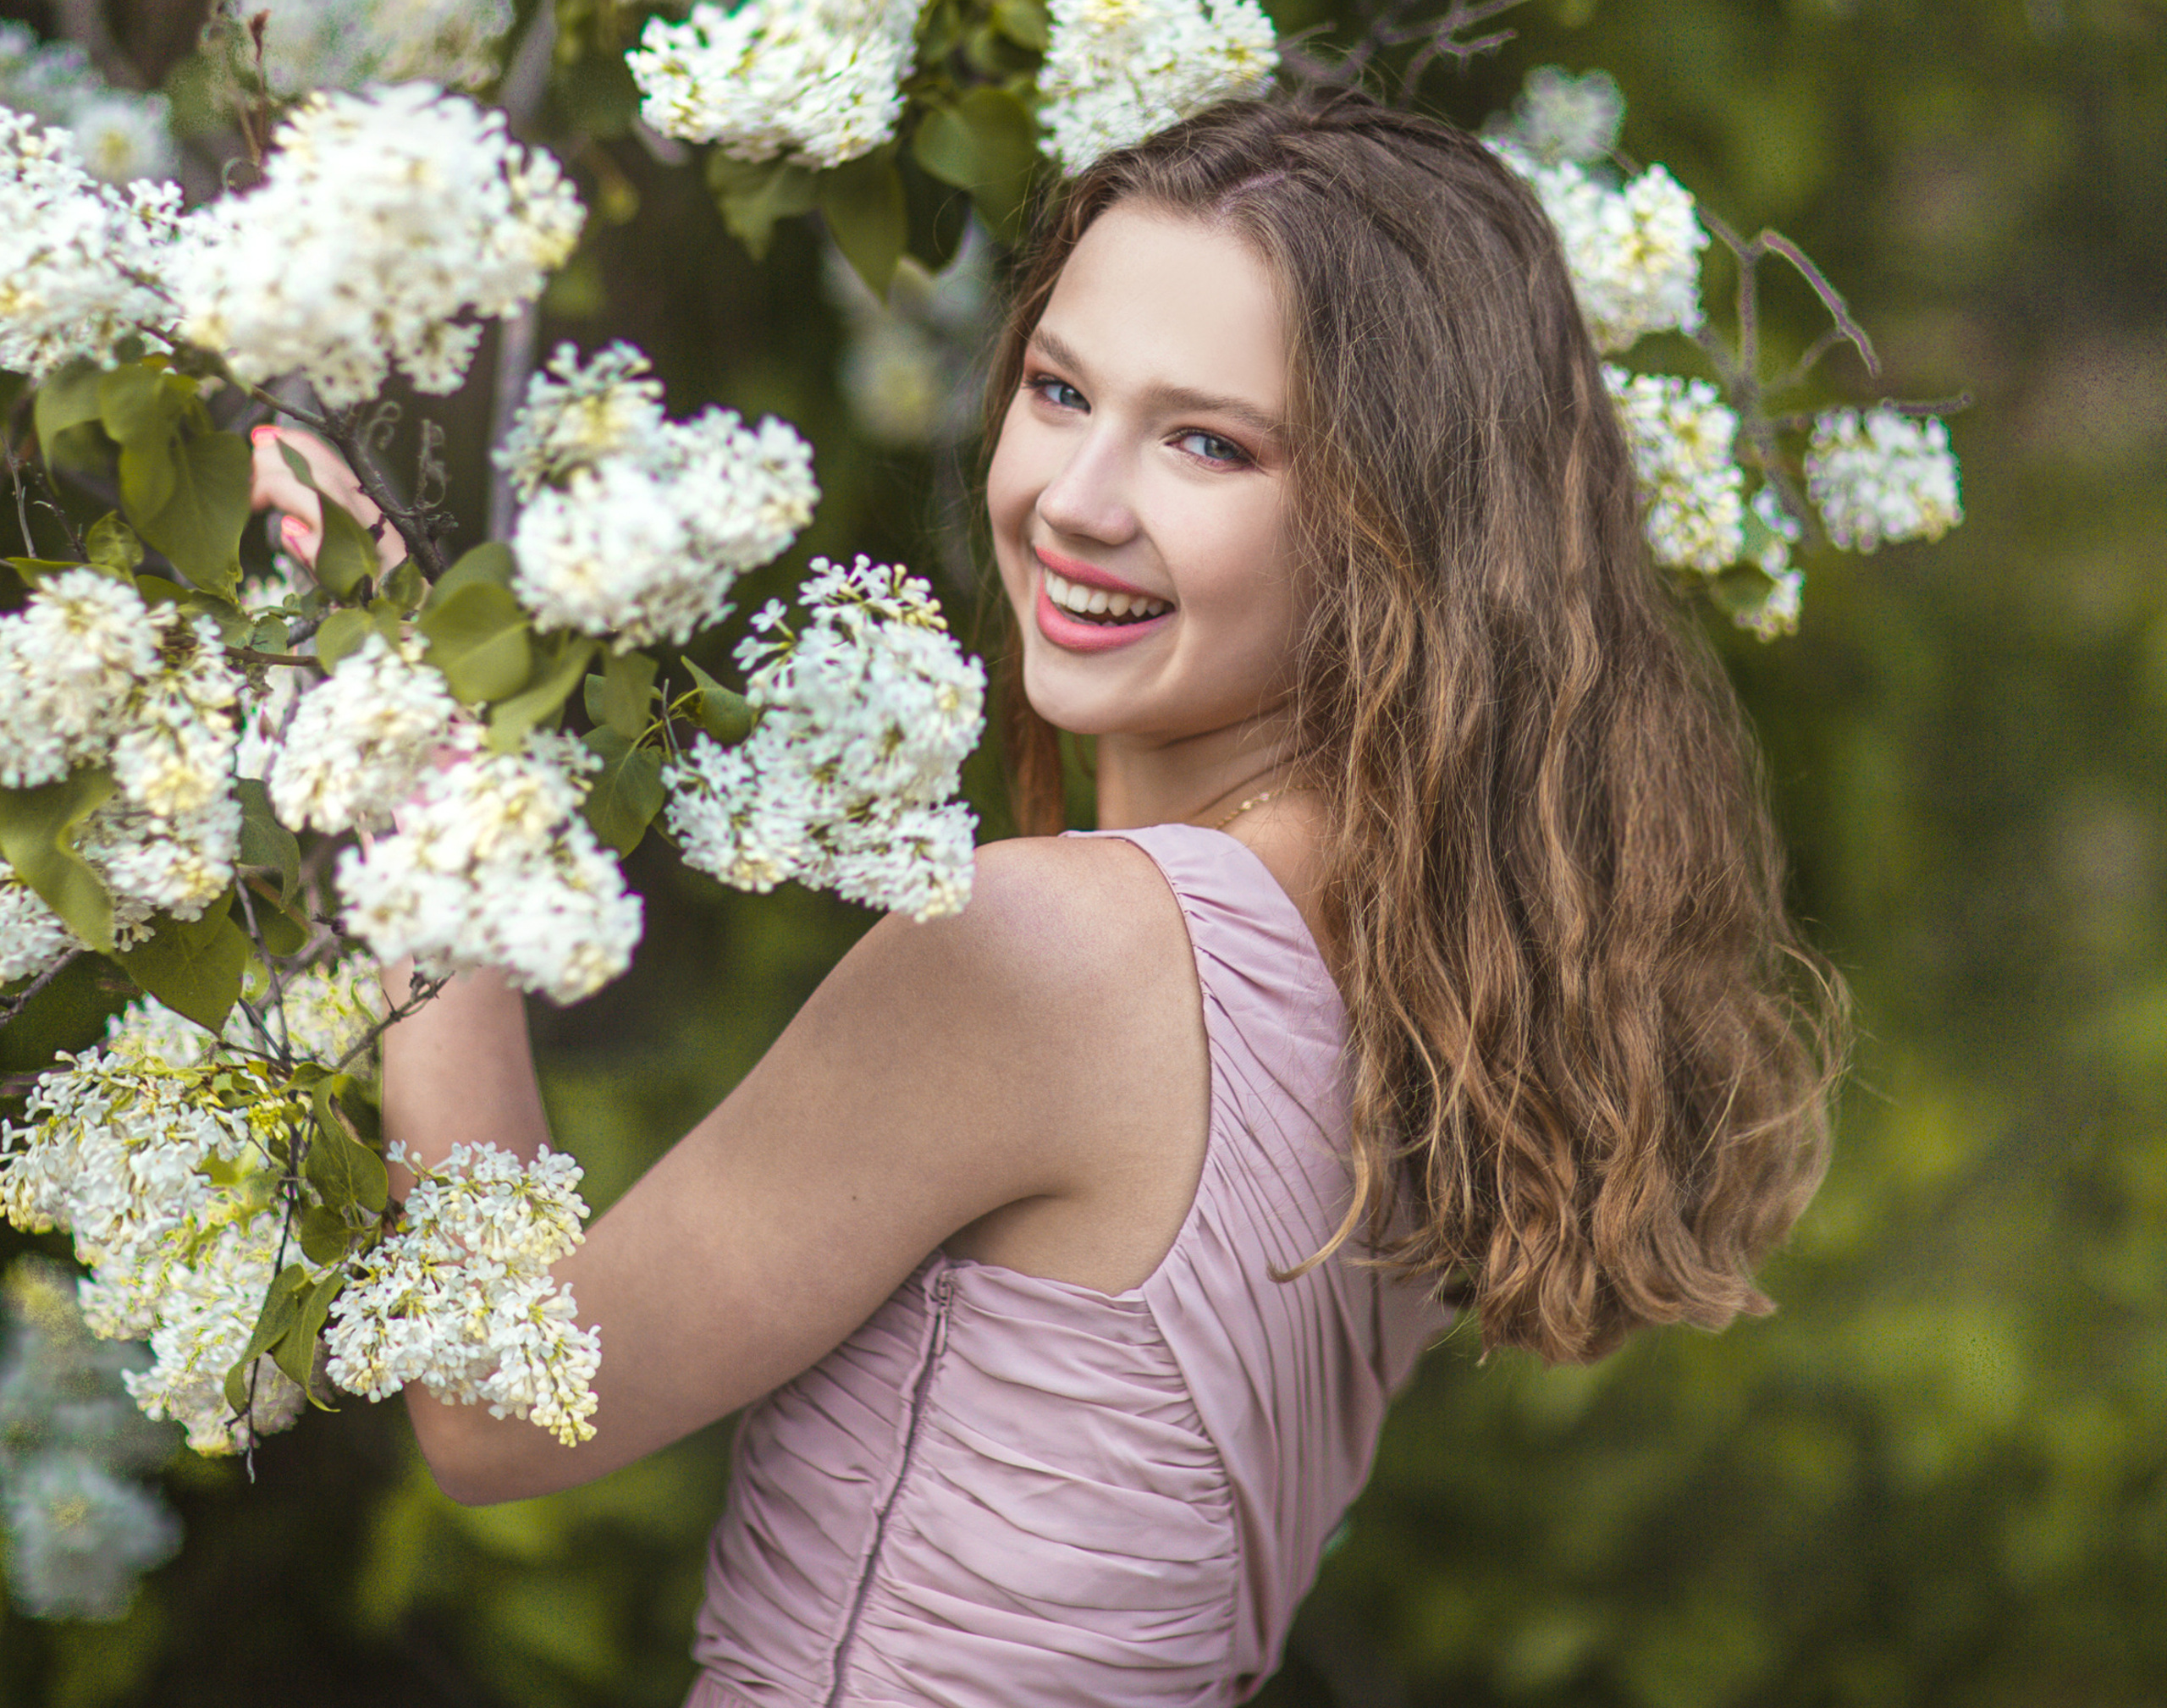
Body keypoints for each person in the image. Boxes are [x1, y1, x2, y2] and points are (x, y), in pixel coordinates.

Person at [249, 86, 1848, 1706]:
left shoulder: (1053, 953)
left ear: (1398, 525)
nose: (1079, 499)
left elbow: (498, 1404)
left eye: (1208, 441)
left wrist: (428, 795)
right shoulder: (1434, 956)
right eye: (1060, 389)